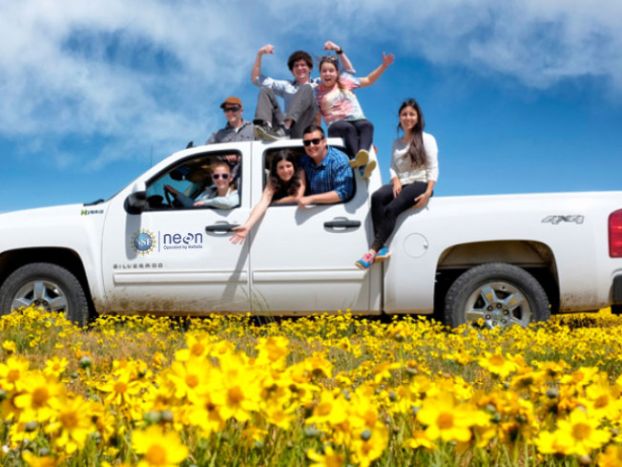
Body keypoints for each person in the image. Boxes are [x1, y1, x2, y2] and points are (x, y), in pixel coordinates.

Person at [355, 98, 438, 270]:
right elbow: (392, 167)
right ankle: (383, 246)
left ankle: (373, 250)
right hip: (402, 182)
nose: (408, 118)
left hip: (420, 182)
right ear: (400, 118)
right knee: (377, 197)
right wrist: (395, 180)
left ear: (418, 117)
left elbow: (433, 167)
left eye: (411, 114)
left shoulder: (427, 138)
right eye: (404, 114)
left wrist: (429, 191)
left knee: (392, 208)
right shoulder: (397, 143)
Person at [251, 42, 355, 141]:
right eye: (296, 66)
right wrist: (259, 54)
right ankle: (264, 128)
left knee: (306, 88)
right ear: (292, 71)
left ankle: (285, 128)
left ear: (310, 68)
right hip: (284, 130)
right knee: (265, 90)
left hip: (307, 127)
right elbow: (256, 79)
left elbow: (349, 71)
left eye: (303, 65)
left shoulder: (321, 82)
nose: (300, 68)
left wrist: (338, 49)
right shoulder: (287, 86)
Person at [315, 52, 394, 177]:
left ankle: (362, 158)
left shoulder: (345, 82)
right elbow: (317, 118)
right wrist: (318, 139)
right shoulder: (317, 92)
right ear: (320, 73)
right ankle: (362, 163)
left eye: (331, 70)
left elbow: (368, 80)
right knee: (348, 128)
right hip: (337, 126)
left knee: (367, 125)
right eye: (324, 71)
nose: (327, 74)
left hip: (356, 119)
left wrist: (384, 65)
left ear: (337, 73)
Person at [230, 150, 306, 244]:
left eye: (288, 166)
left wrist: (274, 203)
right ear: (276, 170)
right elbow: (264, 202)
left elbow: (297, 197)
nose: (285, 170)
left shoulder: (300, 172)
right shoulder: (273, 179)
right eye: (281, 167)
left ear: (294, 165)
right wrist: (247, 226)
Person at [297, 125, 353, 206]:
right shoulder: (303, 161)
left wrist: (312, 198)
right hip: (309, 212)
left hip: (334, 214)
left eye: (315, 141)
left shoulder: (339, 160)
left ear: (324, 142)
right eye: (307, 143)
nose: (311, 145)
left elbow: (343, 192)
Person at [206, 96, 252, 182]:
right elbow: (206, 150)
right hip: (228, 182)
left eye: (234, 109)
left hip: (250, 179)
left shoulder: (254, 129)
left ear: (241, 110)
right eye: (227, 110)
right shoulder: (218, 135)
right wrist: (224, 153)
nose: (230, 113)